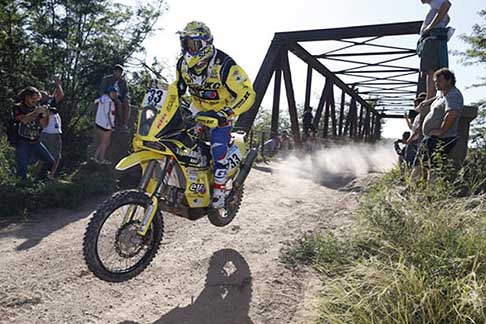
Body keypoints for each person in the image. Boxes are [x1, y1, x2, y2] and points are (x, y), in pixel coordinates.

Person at [174, 21, 255, 208]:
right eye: (184, 43)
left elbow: (247, 93)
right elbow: (177, 90)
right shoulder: (182, 65)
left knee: (218, 148)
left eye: (191, 44)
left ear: (204, 44)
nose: (187, 48)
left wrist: (227, 112)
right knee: (178, 141)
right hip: (196, 110)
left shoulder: (225, 65)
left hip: (221, 112)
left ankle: (219, 192)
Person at [412, 68, 463, 183]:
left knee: (430, 165)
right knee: (422, 162)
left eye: (439, 80)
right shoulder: (443, 94)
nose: (435, 83)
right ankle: (416, 188)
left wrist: (441, 131)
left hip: (442, 138)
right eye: (435, 81)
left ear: (449, 80)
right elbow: (439, 99)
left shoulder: (453, 95)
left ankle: (426, 191)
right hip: (432, 138)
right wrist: (426, 102)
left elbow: (452, 113)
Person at [13, 86, 54, 180]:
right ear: (26, 97)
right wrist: (36, 112)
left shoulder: (37, 108)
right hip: (22, 141)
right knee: (22, 170)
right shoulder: (18, 107)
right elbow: (23, 120)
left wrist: (46, 114)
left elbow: (44, 125)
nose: (35, 101)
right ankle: (20, 189)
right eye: (33, 98)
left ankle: (39, 180)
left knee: (50, 161)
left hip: (35, 141)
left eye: (36, 98)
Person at [417, 0, 452, 100]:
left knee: (430, 70)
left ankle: (429, 98)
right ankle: (431, 97)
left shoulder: (436, 2)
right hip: (435, 39)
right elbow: (447, 17)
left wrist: (429, 27)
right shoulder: (434, 6)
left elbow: (447, 4)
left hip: (432, 39)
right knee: (436, 71)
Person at [40, 78, 64, 177]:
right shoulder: (46, 104)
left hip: (47, 133)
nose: (44, 93)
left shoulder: (46, 103)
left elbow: (57, 95)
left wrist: (57, 85)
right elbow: (61, 96)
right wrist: (58, 84)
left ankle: (42, 175)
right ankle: (50, 176)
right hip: (52, 133)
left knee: (45, 156)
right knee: (56, 157)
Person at [99, 64, 131, 132]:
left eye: (120, 73)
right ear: (114, 71)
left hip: (120, 96)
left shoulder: (123, 82)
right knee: (118, 103)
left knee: (127, 105)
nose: (119, 74)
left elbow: (126, 92)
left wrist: (126, 98)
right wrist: (107, 97)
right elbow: (102, 90)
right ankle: (121, 122)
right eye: (117, 72)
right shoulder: (107, 79)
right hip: (110, 96)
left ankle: (125, 124)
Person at [92, 86, 118, 165]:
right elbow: (109, 115)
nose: (114, 94)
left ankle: (96, 156)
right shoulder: (110, 102)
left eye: (115, 93)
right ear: (109, 93)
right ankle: (101, 159)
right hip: (106, 125)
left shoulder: (102, 98)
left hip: (98, 123)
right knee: (105, 142)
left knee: (103, 142)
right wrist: (112, 126)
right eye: (112, 93)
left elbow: (95, 101)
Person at [403, 93, 427, 166]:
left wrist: (410, 139)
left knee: (411, 161)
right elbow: (412, 128)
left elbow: (419, 129)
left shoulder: (422, 116)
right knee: (409, 160)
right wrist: (407, 119)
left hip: (416, 141)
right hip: (414, 141)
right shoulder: (418, 116)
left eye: (417, 103)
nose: (416, 106)